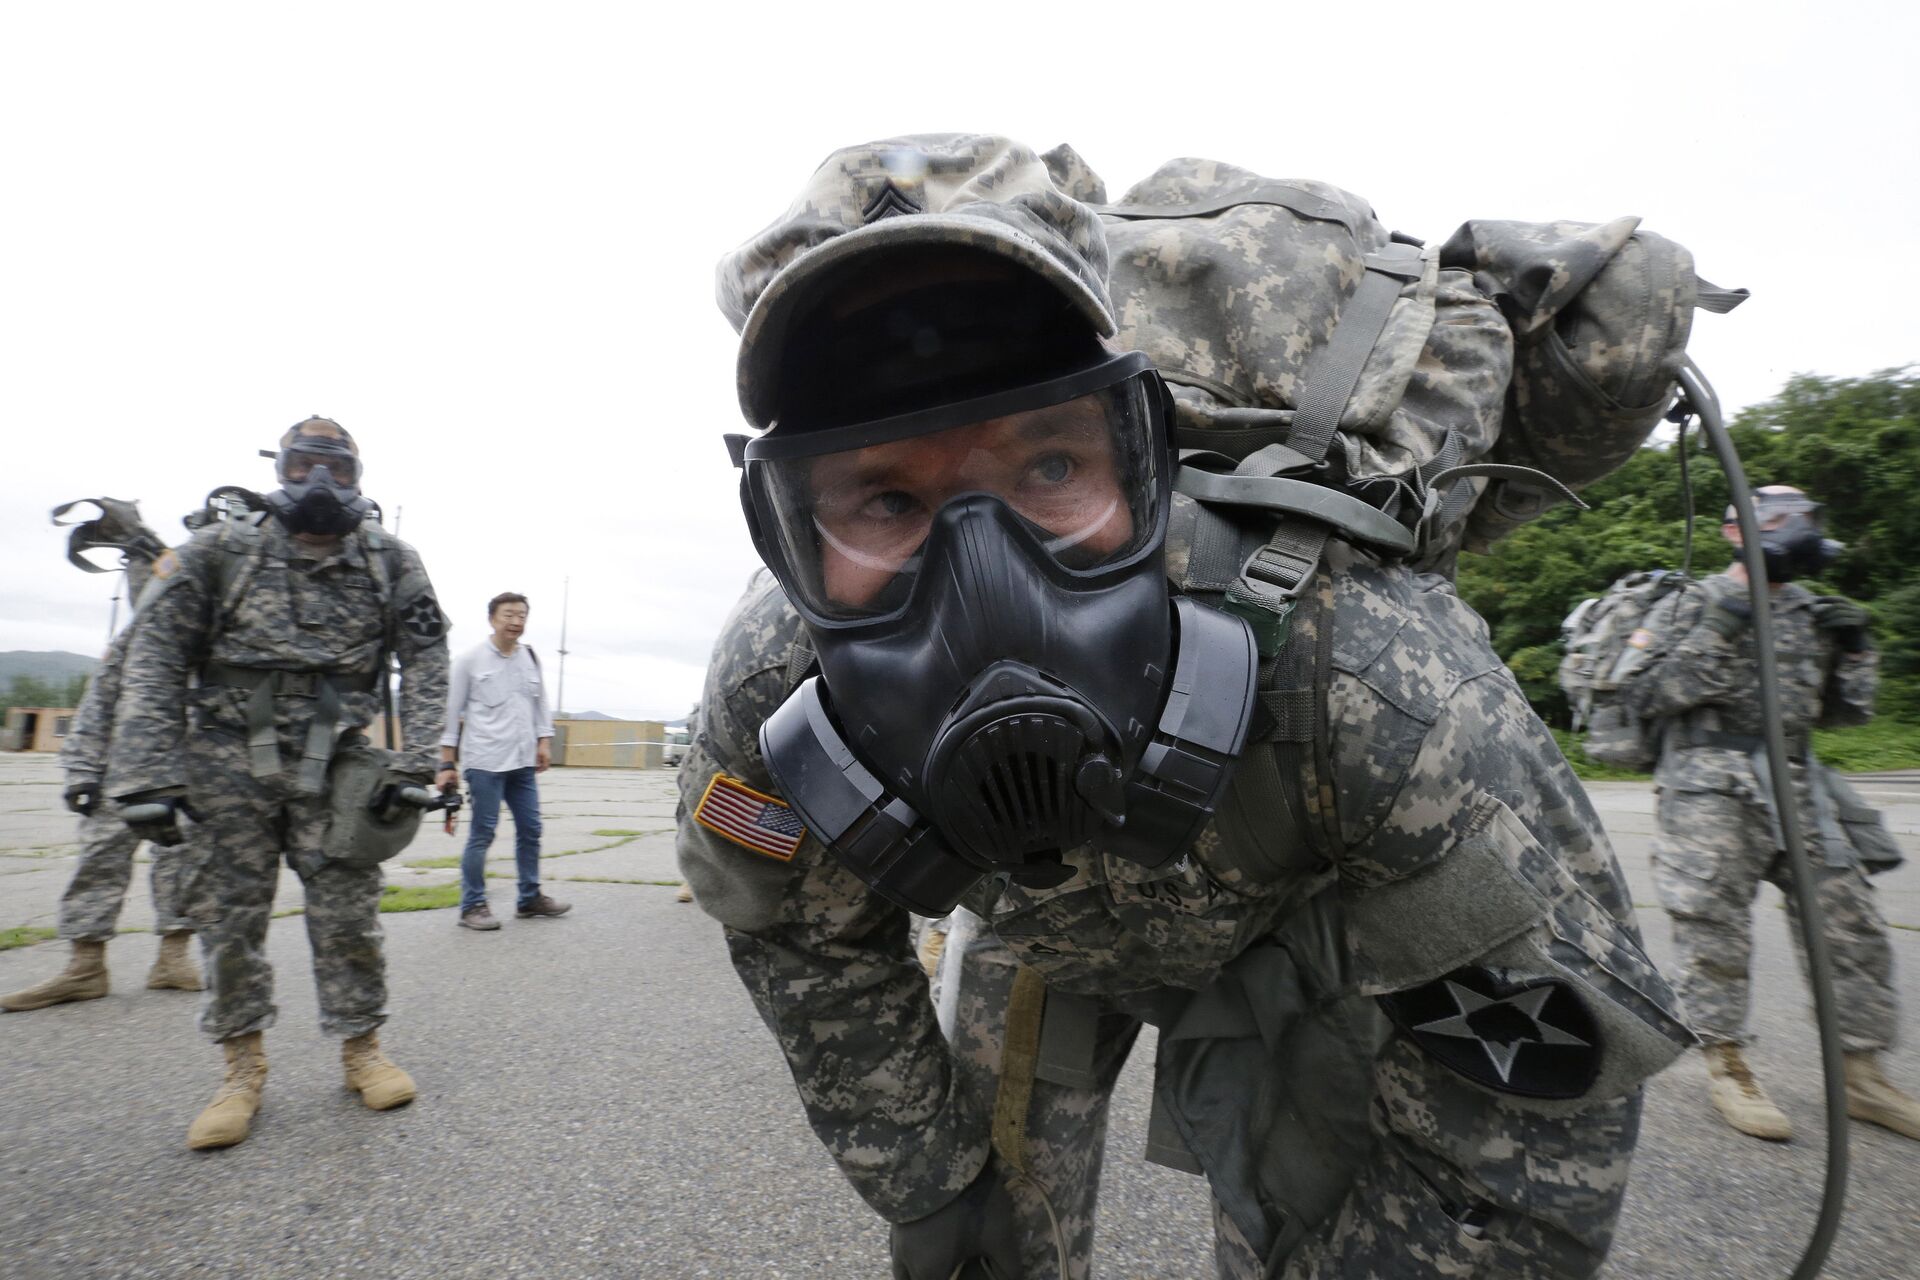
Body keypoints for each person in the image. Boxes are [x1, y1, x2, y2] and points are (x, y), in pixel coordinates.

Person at [677, 135, 1693, 1279]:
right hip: (1043, 938)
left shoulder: (1364, 674)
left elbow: (1520, 1140)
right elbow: (802, 934)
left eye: (1051, 470)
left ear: (1145, 458)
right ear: (789, 534)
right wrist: (921, 1173)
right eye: (886, 496)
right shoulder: (779, 689)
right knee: (997, 1245)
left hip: (1308, 936)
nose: (983, 576)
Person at [108, 417, 450, 1151]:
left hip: (338, 767)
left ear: (359, 479)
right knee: (230, 918)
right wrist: (148, 772)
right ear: (280, 470)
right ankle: (241, 1069)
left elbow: (426, 658)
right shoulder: (215, 552)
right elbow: (156, 652)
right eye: (302, 466)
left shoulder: (391, 560)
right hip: (227, 758)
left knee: (348, 913)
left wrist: (417, 765)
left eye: (338, 469)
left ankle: (362, 1048)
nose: (320, 483)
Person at [1621, 485, 1920, 1142]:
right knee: (1715, 935)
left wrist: (1860, 650)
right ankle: (1727, 1067)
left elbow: (1846, 714)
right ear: (1738, 532)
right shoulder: (1689, 603)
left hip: (1798, 782)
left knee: (1853, 926)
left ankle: (1862, 1075)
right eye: (1791, 521)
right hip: (1709, 787)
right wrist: (1722, 624)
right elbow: (1644, 691)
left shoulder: (1813, 610)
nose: (1806, 530)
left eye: (1811, 518)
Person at [2, 500, 200, 1013]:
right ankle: (85, 967)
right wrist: (81, 771)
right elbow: (96, 705)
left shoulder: (208, 644)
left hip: (181, 773)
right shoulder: (132, 641)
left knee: (180, 863)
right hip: (118, 773)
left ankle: (172, 959)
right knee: (98, 862)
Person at [440, 592, 569, 930]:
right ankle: (472, 906)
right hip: (485, 761)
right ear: (492, 619)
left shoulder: (530, 658)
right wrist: (446, 763)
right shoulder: (469, 660)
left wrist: (544, 741)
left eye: (522, 615)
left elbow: (540, 705)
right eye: (509, 614)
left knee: (531, 829)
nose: (516, 621)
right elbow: (451, 715)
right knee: (482, 833)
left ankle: (529, 898)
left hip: (523, 761)